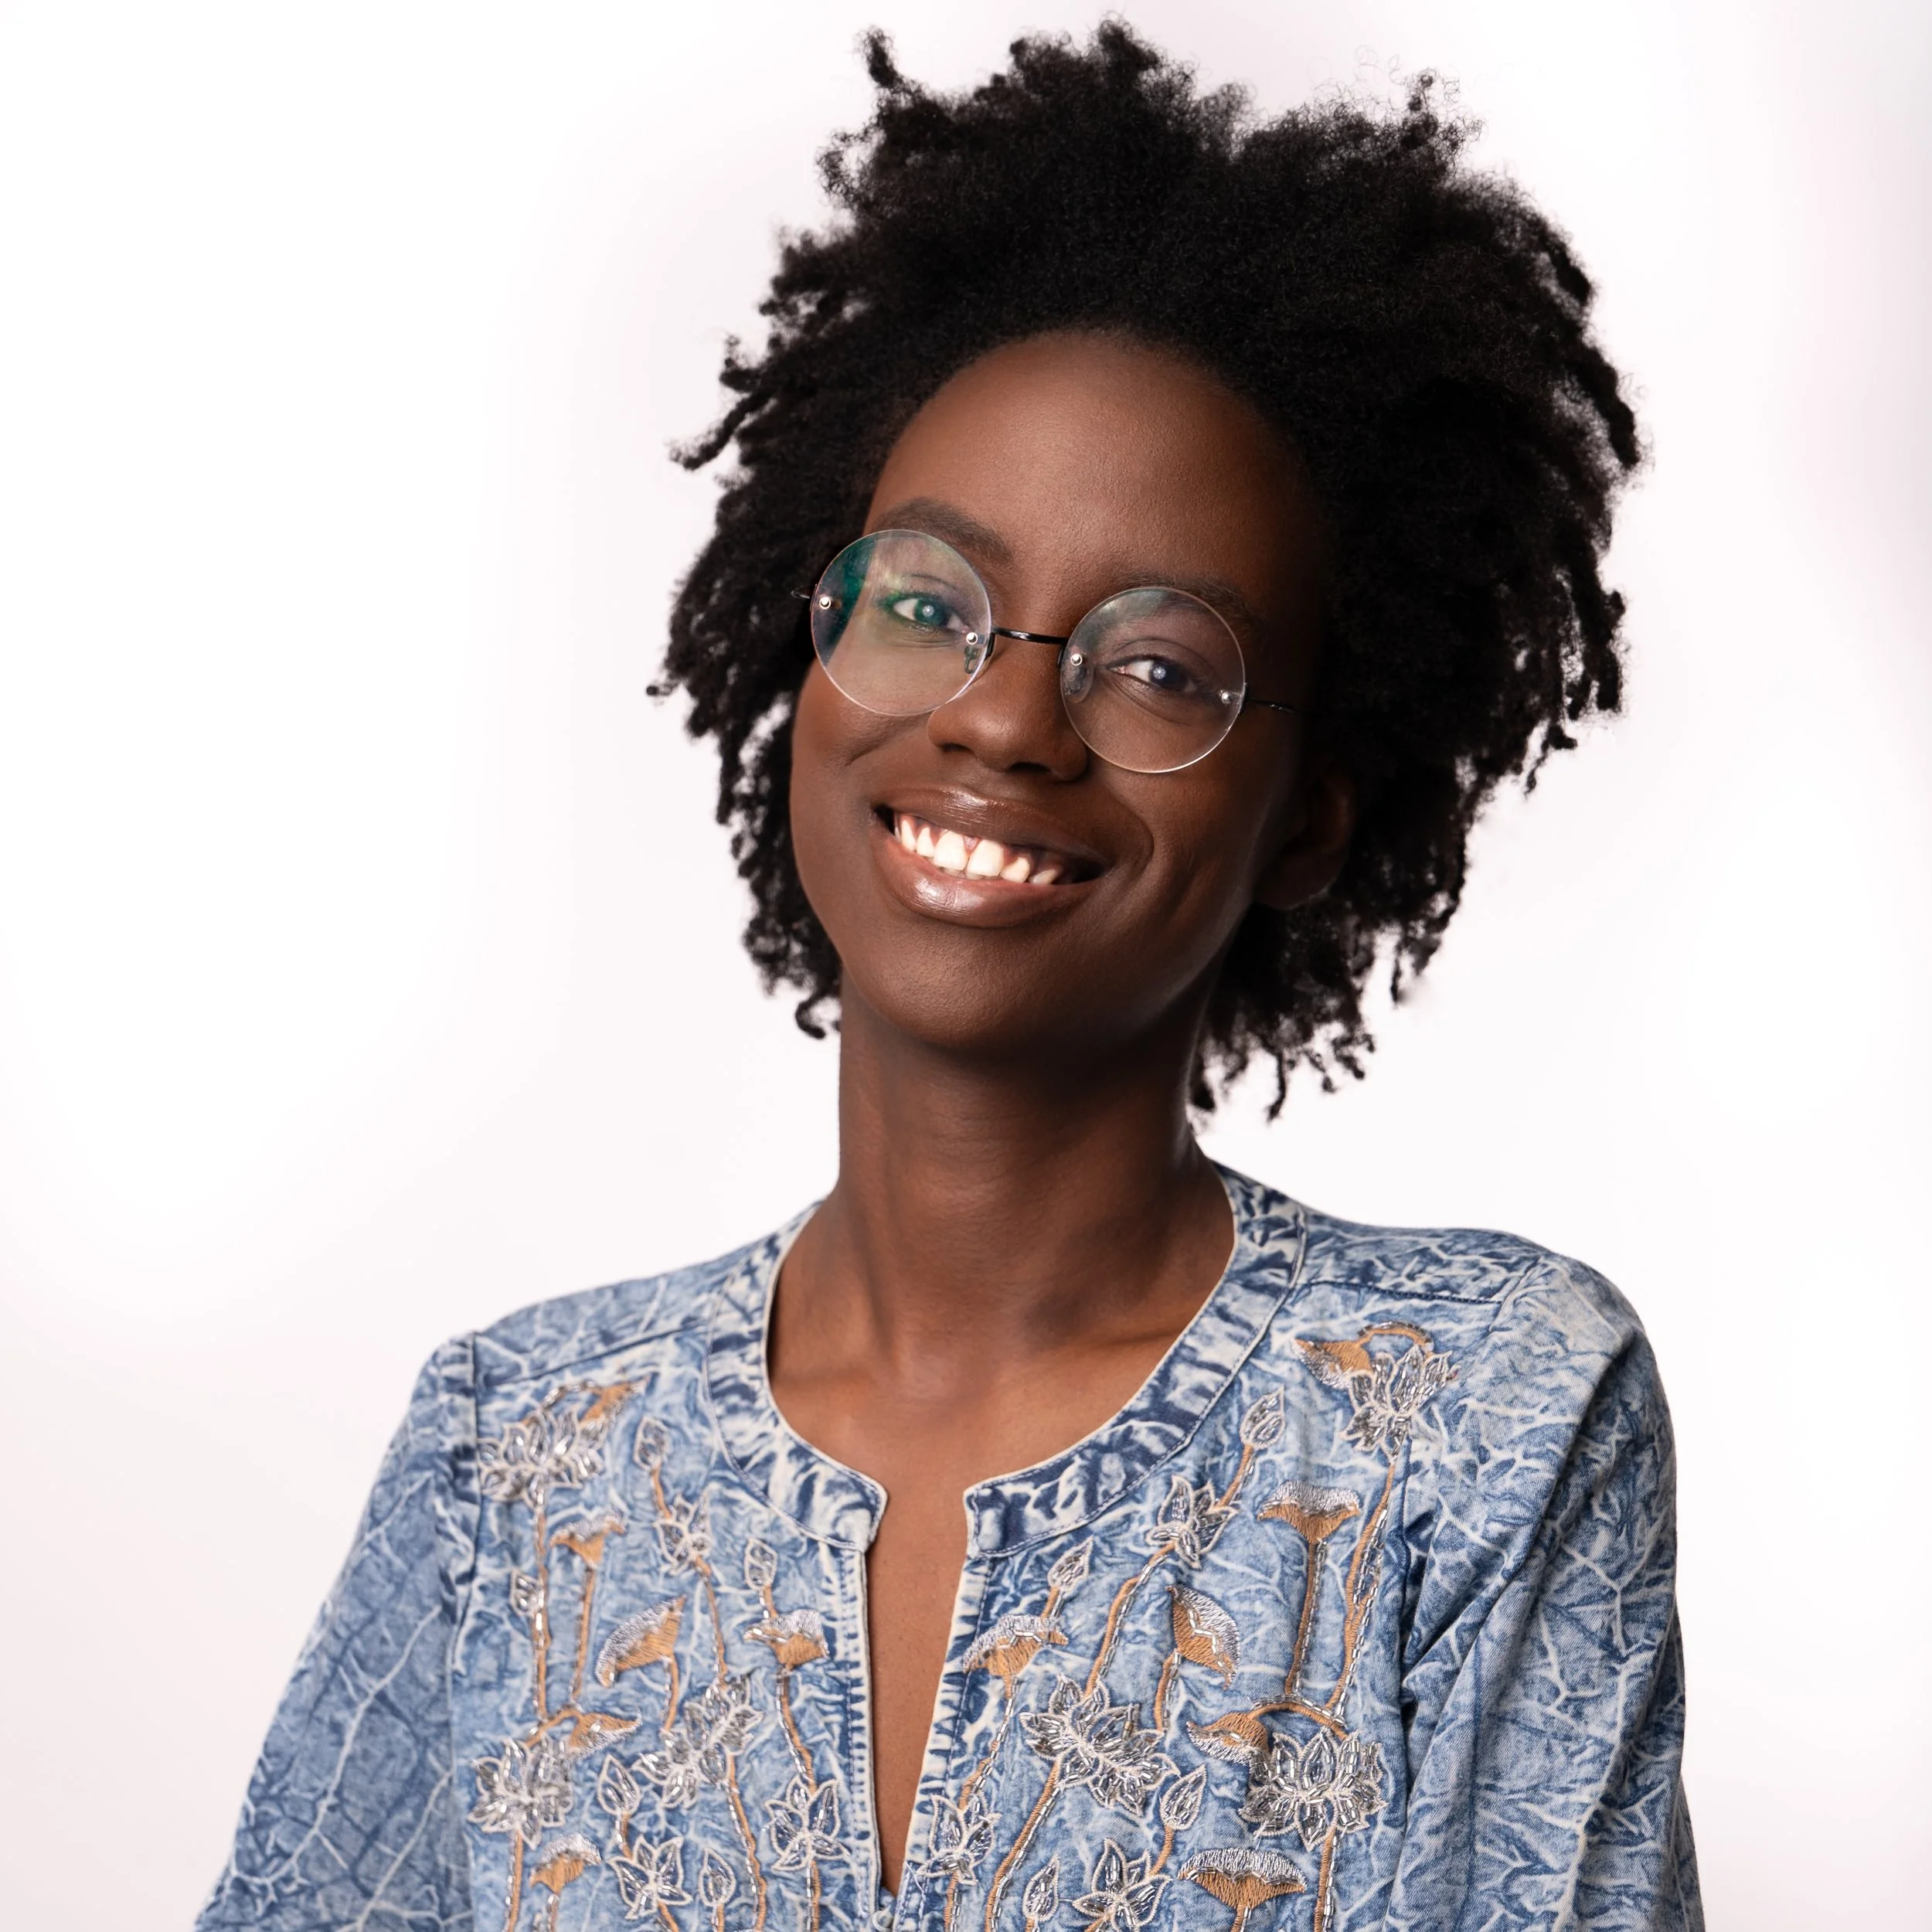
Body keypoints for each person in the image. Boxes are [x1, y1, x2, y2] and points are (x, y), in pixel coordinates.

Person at [199, 26, 1699, 1931]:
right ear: (806, 658)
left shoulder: (1477, 1417)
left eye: (1159, 663)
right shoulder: (517, 1452)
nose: (1001, 715)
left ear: (1311, 813)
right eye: (925, 602)